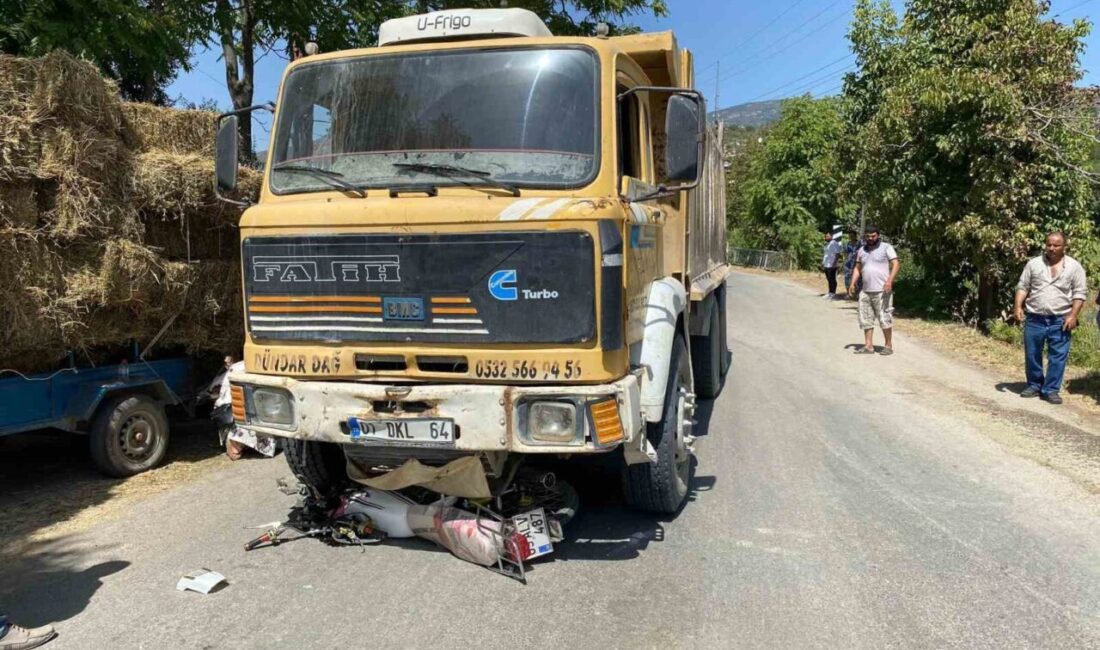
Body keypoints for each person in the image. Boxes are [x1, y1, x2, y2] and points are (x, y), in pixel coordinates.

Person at [1013, 231, 1087, 405]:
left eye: (1056, 245)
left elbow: (1080, 293)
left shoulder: (1074, 267)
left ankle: (1051, 389)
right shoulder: (1034, 264)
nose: (1052, 248)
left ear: (1064, 247)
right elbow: (1023, 286)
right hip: (1035, 318)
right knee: (1032, 354)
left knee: (1058, 356)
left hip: (1060, 319)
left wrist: (1073, 315)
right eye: (1049, 245)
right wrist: (1017, 306)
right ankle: (1034, 385)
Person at [848, 225, 900, 355]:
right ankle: (868, 346)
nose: (870, 238)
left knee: (884, 318)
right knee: (865, 319)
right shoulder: (861, 250)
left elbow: (896, 264)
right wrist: (852, 283)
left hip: (882, 291)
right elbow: (857, 268)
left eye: (873, 236)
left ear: (878, 235)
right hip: (865, 291)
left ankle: (888, 346)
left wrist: (889, 281)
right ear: (865, 236)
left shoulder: (886, 248)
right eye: (868, 236)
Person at [821, 231, 842, 299]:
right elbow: (826, 254)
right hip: (827, 264)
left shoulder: (834, 243)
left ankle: (833, 293)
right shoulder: (828, 244)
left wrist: (834, 263)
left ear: (831, 236)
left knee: (832, 279)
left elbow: (837, 254)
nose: (826, 237)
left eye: (827, 236)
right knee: (829, 279)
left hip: (832, 264)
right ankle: (830, 292)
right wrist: (823, 263)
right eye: (825, 236)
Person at [842, 230, 862, 299]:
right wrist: (845, 261)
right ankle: (848, 293)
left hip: (857, 263)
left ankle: (858, 294)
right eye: (850, 236)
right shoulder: (847, 243)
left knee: (858, 279)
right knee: (847, 278)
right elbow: (845, 253)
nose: (851, 237)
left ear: (855, 236)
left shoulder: (860, 243)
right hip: (848, 264)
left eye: (852, 236)